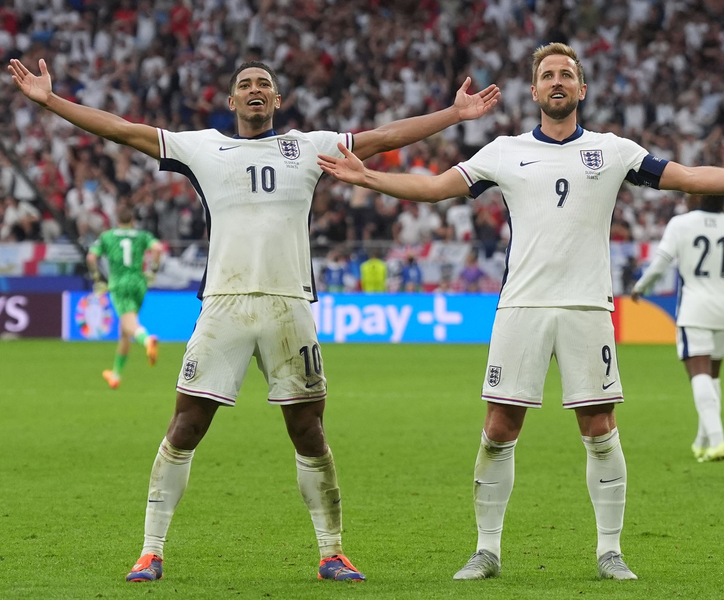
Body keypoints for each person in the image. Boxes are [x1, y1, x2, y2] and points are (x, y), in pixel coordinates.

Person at [318, 42, 724, 581]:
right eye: (547, 74)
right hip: (521, 307)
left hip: (586, 307)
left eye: (566, 75)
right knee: (499, 426)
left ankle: (610, 551)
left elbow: (687, 176)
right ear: (534, 90)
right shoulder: (504, 151)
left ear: (581, 89)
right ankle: (487, 549)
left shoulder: (613, 150)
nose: (557, 82)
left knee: (600, 427)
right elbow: (434, 188)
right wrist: (369, 177)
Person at [8, 57, 499, 583]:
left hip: (290, 307)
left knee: (308, 430)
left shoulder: (309, 147)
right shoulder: (202, 147)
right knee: (186, 426)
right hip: (224, 305)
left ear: (278, 99)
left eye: (264, 84)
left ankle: (332, 552)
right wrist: (51, 102)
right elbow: (123, 130)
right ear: (232, 101)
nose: (255, 90)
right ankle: (151, 551)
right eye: (245, 85)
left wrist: (452, 114)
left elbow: (381, 138)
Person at [631, 194, 724, 462]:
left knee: (699, 375)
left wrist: (640, 287)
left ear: (697, 196)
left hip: (693, 309)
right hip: (723, 309)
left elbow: (660, 264)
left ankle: (718, 441)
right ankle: (702, 442)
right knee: (713, 376)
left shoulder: (680, 223)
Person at [87, 205, 162, 389]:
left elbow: (91, 257)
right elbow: (158, 248)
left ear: (117, 221)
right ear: (133, 221)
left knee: (130, 323)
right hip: (139, 282)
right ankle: (116, 375)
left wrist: (97, 279)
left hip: (119, 284)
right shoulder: (142, 235)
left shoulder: (107, 236)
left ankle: (147, 340)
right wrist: (152, 271)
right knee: (124, 331)